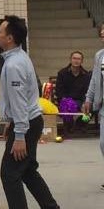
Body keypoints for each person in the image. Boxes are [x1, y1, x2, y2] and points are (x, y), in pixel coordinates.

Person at [0, 15, 60, 209]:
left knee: (9, 174)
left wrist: (19, 134)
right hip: (28, 121)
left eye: (0, 31)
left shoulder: (14, 64)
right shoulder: (19, 57)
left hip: (27, 124)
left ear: (10, 38)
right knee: (27, 171)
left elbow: (19, 101)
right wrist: (11, 122)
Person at [82, 21, 104, 193]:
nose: (102, 34)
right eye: (102, 32)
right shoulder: (99, 56)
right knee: (103, 144)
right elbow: (95, 80)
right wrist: (88, 99)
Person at [55, 50, 91, 135]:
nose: (76, 60)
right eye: (74, 58)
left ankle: (80, 124)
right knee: (68, 105)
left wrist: (85, 102)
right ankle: (69, 126)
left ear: (82, 61)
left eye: (78, 59)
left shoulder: (86, 75)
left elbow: (87, 91)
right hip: (66, 100)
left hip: (80, 100)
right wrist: (66, 100)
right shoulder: (62, 73)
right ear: (70, 60)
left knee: (91, 106)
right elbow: (59, 91)